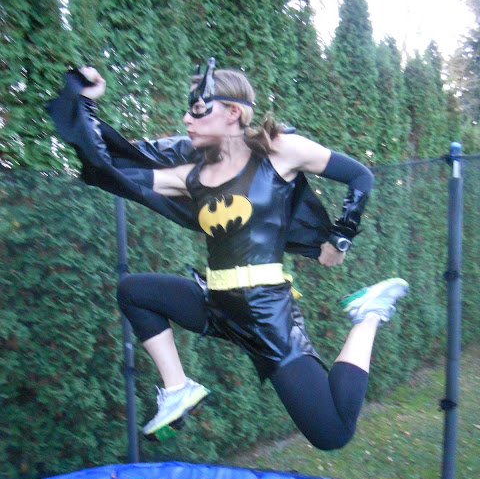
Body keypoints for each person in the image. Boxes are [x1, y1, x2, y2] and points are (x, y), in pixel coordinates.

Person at [48, 58, 408, 449]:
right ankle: (178, 389)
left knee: (332, 434)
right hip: (218, 305)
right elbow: (109, 169)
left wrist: (340, 238)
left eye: (198, 109)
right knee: (133, 291)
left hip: (268, 317)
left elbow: (360, 176)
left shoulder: (279, 151)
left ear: (233, 112)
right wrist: (84, 101)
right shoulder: (190, 176)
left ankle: (368, 315)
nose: (186, 118)